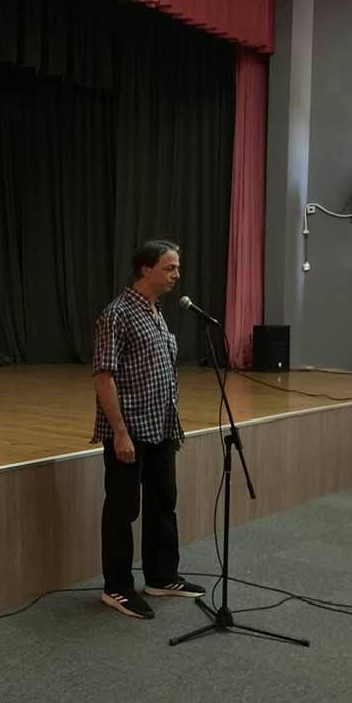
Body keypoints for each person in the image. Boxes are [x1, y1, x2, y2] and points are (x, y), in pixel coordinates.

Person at [91, 240, 205, 619]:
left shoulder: (157, 313)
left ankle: (161, 576)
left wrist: (174, 426)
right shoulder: (117, 314)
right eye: (169, 268)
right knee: (123, 509)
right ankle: (117, 587)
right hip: (131, 430)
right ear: (146, 269)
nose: (176, 275)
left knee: (163, 502)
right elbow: (104, 377)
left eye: (177, 267)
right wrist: (120, 433)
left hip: (162, 428)